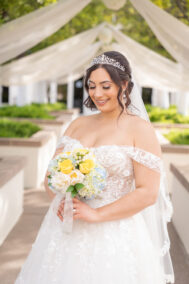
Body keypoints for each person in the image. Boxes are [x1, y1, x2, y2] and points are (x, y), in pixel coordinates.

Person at [15, 51, 174, 284]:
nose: (97, 94)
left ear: (124, 85)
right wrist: (60, 199)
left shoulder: (139, 129)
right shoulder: (78, 124)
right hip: (65, 229)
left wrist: (97, 214)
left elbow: (147, 192)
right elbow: (51, 175)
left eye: (105, 86)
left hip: (115, 233)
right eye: (91, 86)